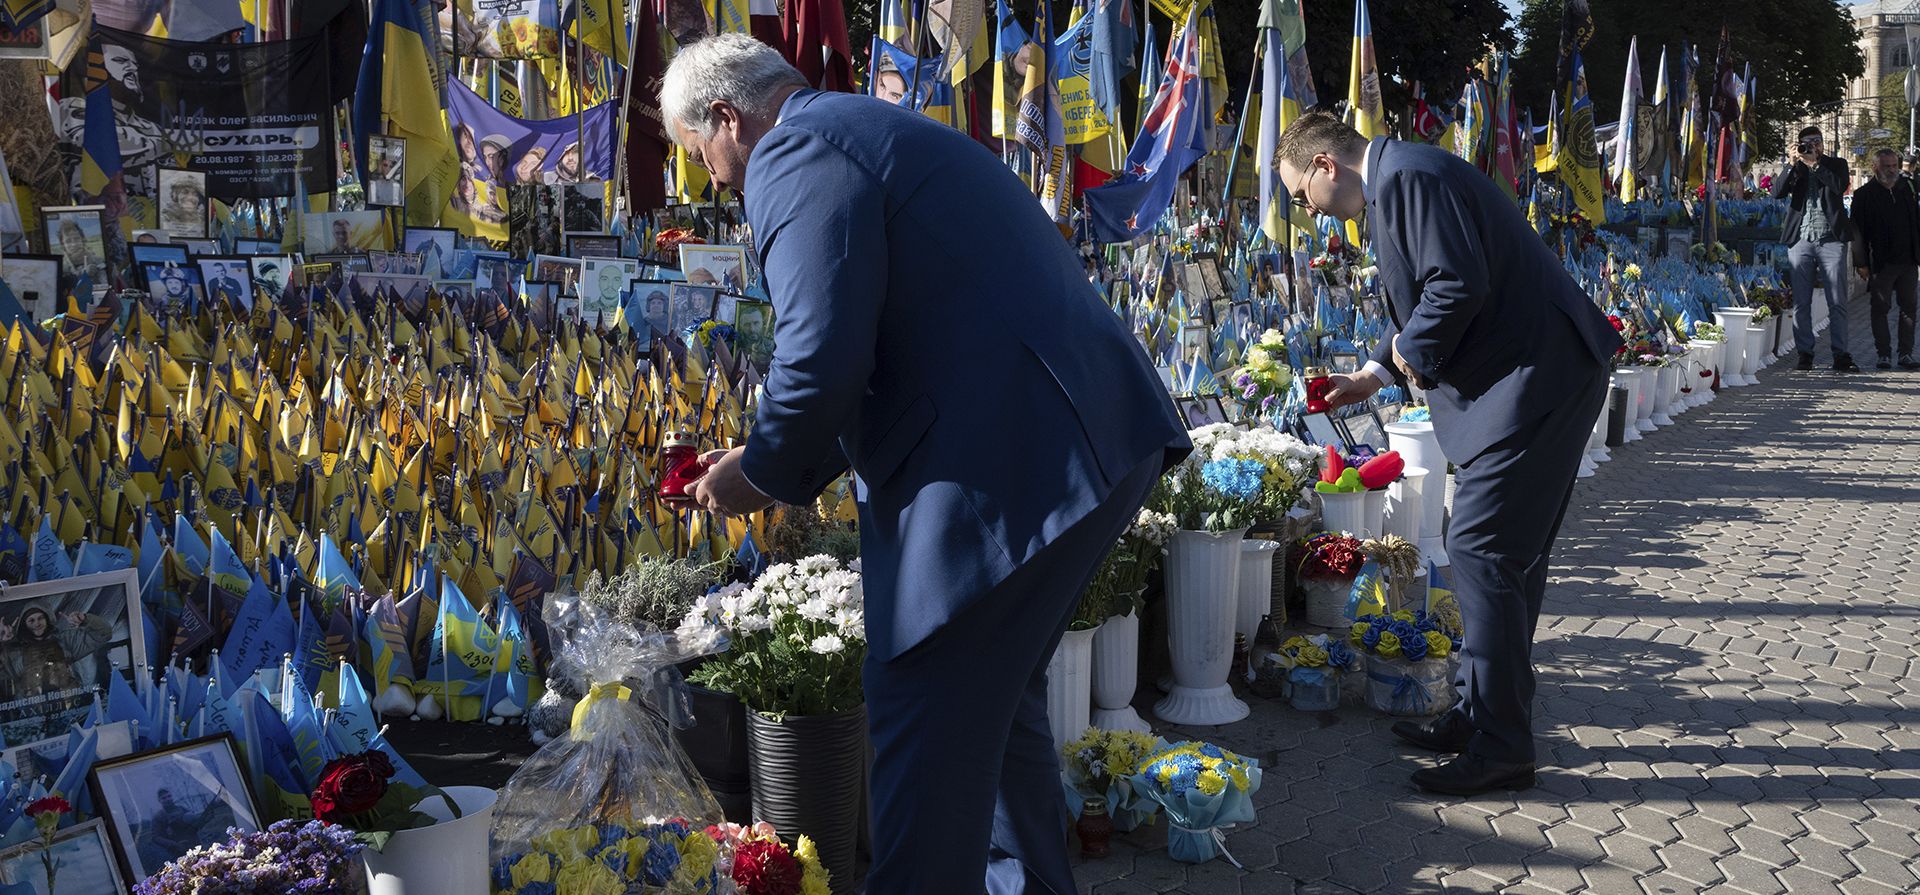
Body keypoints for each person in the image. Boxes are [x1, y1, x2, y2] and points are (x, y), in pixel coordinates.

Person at [663, 34, 1187, 894]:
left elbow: (820, 355)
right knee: (993, 698)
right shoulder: (853, 130)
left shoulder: (792, 150)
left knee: (916, 694)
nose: (711, 180)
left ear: (728, 116)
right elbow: (872, 349)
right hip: (1076, 442)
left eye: (701, 154)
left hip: (1017, 462)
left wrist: (757, 473)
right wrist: (777, 457)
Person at [1274, 110, 1621, 796]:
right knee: (1504, 556)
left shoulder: (1404, 179)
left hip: (1534, 379)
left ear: (1324, 166)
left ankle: (1501, 745)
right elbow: (1431, 293)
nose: (1306, 212)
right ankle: (1480, 715)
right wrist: (1374, 373)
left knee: (1483, 549)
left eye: (1298, 196)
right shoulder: (1403, 175)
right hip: (1539, 374)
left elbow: (1458, 285)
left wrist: (1410, 353)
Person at [1770, 126, 1860, 372]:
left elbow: (1838, 186)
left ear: (1822, 143)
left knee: (1837, 300)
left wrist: (1816, 164)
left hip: (1831, 239)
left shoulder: (1836, 164)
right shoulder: (1796, 167)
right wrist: (1791, 164)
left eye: (1816, 141)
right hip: (1800, 240)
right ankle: (1805, 353)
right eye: (1807, 142)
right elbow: (1777, 193)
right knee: (1801, 301)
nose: (1812, 146)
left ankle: (1841, 355)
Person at [1849, 148, 1920, 370]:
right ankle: (1883, 354)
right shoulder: (1864, 195)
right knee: (1880, 308)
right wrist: (1861, 263)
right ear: (1875, 167)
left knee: (1909, 307)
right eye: (1886, 166)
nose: (1891, 170)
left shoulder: (1908, 188)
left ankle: (1905, 353)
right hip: (1881, 262)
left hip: (1908, 260)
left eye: (1894, 166)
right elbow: (1857, 233)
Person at [0, 606, 113, 700]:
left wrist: (85, 620)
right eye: (31, 620)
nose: (37, 623)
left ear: (47, 619)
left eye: (40, 618)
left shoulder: (65, 641)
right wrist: (2, 642)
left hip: (71, 702)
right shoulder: (14, 652)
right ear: (24, 624)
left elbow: (104, 634)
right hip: (33, 711)